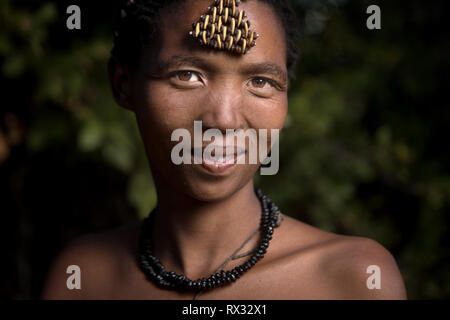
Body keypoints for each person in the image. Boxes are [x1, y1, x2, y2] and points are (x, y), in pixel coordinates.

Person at [41, 0, 407, 300]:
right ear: (124, 85)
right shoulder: (83, 277)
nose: (225, 120)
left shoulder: (355, 278)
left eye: (260, 81)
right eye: (187, 75)